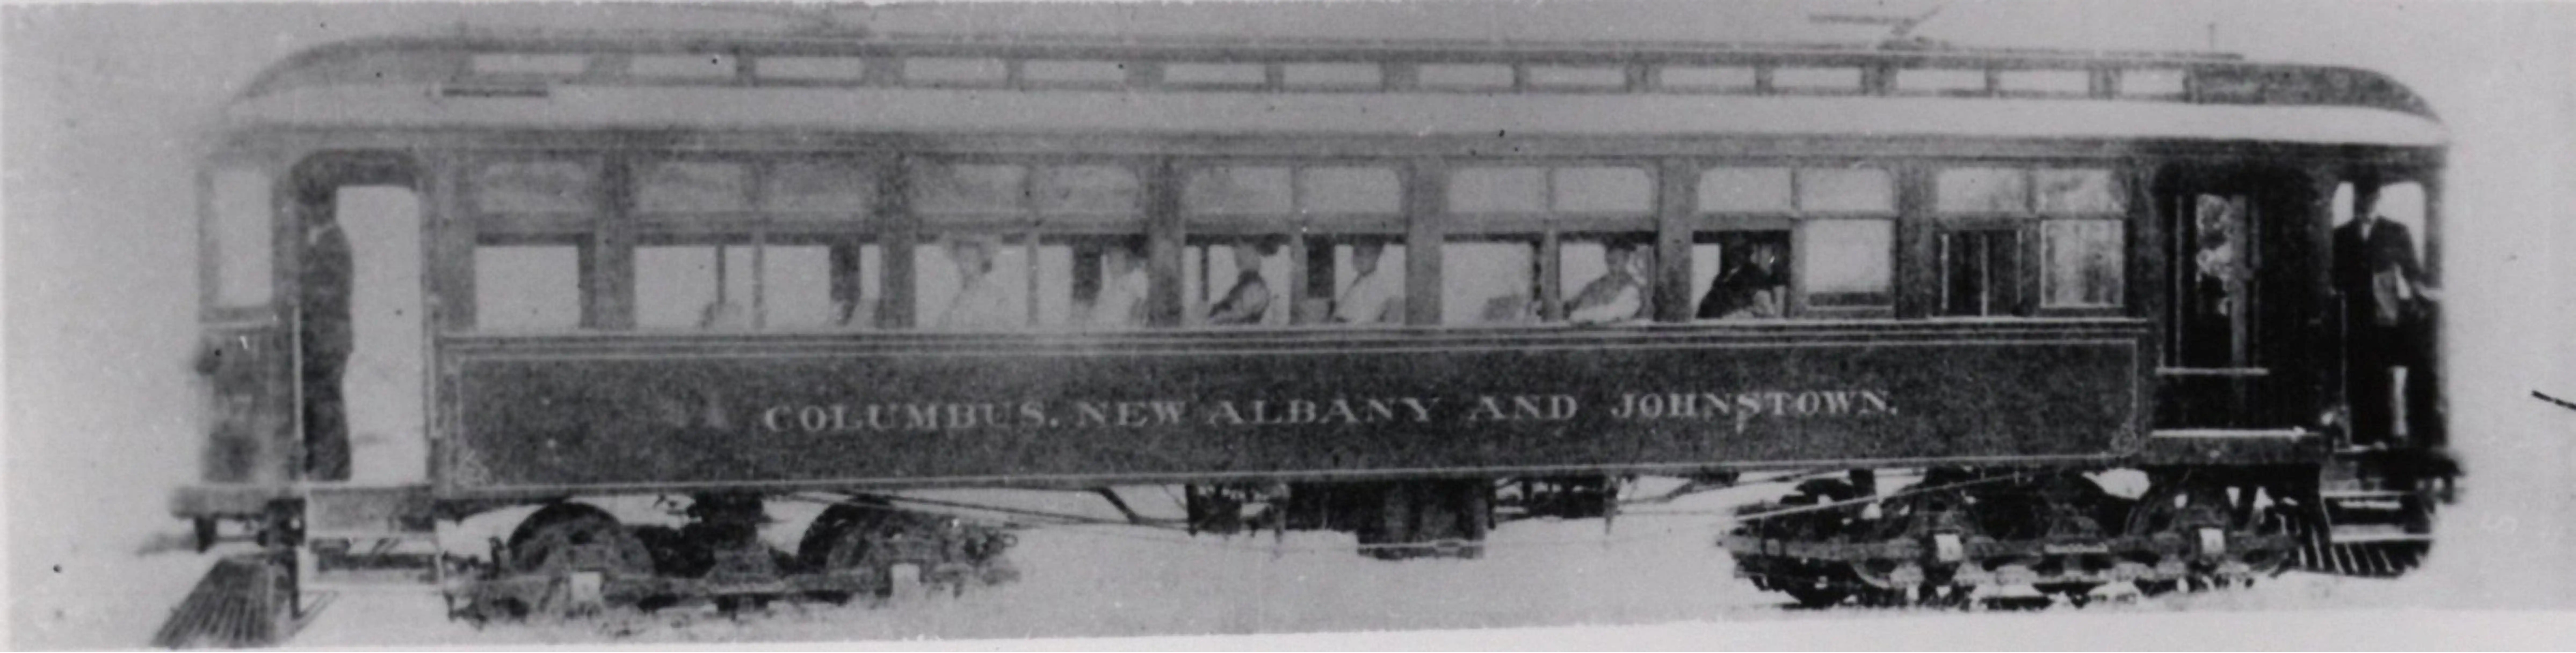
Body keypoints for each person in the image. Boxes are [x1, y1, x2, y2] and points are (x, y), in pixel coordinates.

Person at [2332, 209, 2435, 448]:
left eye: (2372, 194)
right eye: (2363, 194)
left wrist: (2421, 297)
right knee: (2358, 373)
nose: (2367, 200)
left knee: (2386, 371)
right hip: (2352, 317)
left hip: (2385, 314)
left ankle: (2391, 436)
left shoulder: (2396, 232)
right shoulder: (2340, 235)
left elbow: (2412, 272)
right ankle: (2362, 436)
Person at [299, 216, 353, 481]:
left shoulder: (332, 243)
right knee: (324, 403)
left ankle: (331, 471)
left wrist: (301, 291)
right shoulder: (329, 241)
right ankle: (329, 469)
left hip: (327, 339)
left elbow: (330, 291)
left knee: (326, 404)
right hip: (327, 338)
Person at [937, 237, 1019, 329]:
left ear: (981, 261)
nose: (962, 266)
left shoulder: (996, 297)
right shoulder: (957, 300)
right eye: (959, 260)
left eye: (967, 260)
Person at [1696, 241, 1787, 320]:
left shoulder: (1755, 275)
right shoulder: (1722, 276)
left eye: (1738, 252)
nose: (1734, 256)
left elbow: (1763, 306)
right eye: (1731, 252)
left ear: (1747, 254)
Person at [1564, 243, 1646, 324]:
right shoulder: (1596, 285)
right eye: (1609, 261)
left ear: (1626, 260)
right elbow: (1577, 305)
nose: (1611, 266)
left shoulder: (1633, 288)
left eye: (1615, 261)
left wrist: (1580, 316)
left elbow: (1616, 313)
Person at [1205, 239, 1274, 326]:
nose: (1239, 261)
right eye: (1238, 258)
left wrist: (1219, 318)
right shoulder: (1240, 287)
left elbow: (1242, 313)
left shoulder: (1257, 288)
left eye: (1245, 256)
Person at [1333, 241, 1403, 324]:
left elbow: (1363, 320)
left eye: (1369, 255)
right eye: (1358, 254)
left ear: (1378, 257)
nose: (1360, 260)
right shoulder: (1357, 282)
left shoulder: (1380, 286)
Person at [1087, 243, 1150, 329]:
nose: (1111, 266)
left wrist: (1131, 327)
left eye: (1116, 261)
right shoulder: (1107, 289)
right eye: (1110, 262)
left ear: (1125, 262)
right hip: (1102, 330)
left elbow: (1141, 306)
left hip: (1124, 331)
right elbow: (1095, 313)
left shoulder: (1137, 278)